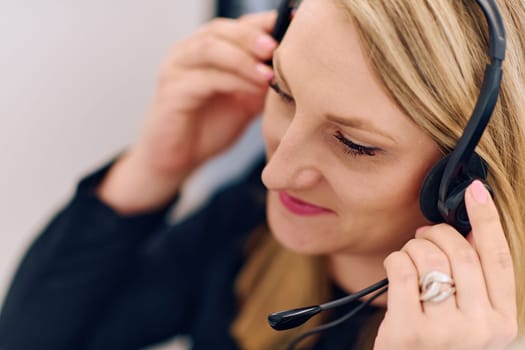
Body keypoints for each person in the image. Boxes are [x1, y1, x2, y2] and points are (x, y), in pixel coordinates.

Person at [0, 0, 524, 349]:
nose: (277, 172)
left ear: (467, 181)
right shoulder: (251, 220)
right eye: (283, 91)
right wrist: (155, 167)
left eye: (355, 144)